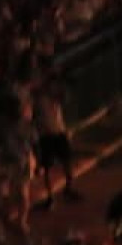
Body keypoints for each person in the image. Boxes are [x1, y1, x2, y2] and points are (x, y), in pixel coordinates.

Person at [32, 77, 79, 207]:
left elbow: (65, 97)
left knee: (67, 162)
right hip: (46, 136)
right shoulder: (39, 100)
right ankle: (50, 197)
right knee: (47, 168)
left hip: (58, 134)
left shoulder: (55, 99)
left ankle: (68, 190)